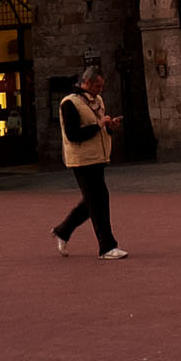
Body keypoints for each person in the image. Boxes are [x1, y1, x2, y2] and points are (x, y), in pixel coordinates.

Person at [52, 63, 128, 259]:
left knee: (93, 201)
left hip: (98, 157)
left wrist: (110, 127)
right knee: (99, 201)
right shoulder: (69, 103)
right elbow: (73, 134)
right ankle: (107, 246)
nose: (99, 91)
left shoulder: (97, 101)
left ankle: (63, 230)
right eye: (97, 86)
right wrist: (98, 125)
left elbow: (100, 129)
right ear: (86, 82)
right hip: (81, 160)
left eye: (101, 87)